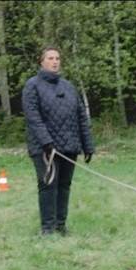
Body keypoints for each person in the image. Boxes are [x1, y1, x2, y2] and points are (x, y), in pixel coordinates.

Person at [22, 46, 95, 235]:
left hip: (69, 146)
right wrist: (46, 142)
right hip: (45, 148)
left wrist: (88, 145)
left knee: (64, 186)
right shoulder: (32, 85)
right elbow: (33, 117)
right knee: (48, 186)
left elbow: (80, 117)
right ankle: (47, 228)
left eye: (57, 58)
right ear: (42, 62)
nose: (55, 61)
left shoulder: (69, 87)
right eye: (50, 58)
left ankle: (60, 226)